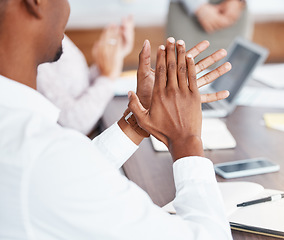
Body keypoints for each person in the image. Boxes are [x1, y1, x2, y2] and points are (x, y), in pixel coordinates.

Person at [0, 0, 234, 239]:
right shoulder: (41, 157)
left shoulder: (21, 135)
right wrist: (187, 139)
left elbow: (70, 179)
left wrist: (137, 121)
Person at [37, 17, 134, 135]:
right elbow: (73, 123)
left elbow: (77, 86)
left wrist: (113, 58)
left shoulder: (51, 31)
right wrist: (107, 78)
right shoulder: (37, 52)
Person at [168, 0, 253, 61]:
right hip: (186, 11)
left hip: (234, 9)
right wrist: (197, 5)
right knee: (185, 69)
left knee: (235, 67)